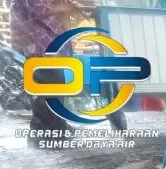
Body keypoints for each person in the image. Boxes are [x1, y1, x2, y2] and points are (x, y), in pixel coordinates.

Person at [10, 0, 126, 140]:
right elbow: (41, 7)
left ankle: (56, 127)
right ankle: (45, 133)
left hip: (53, 40)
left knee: (58, 84)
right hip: (38, 42)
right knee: (51, 82)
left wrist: (79, 8)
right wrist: (75, 8)